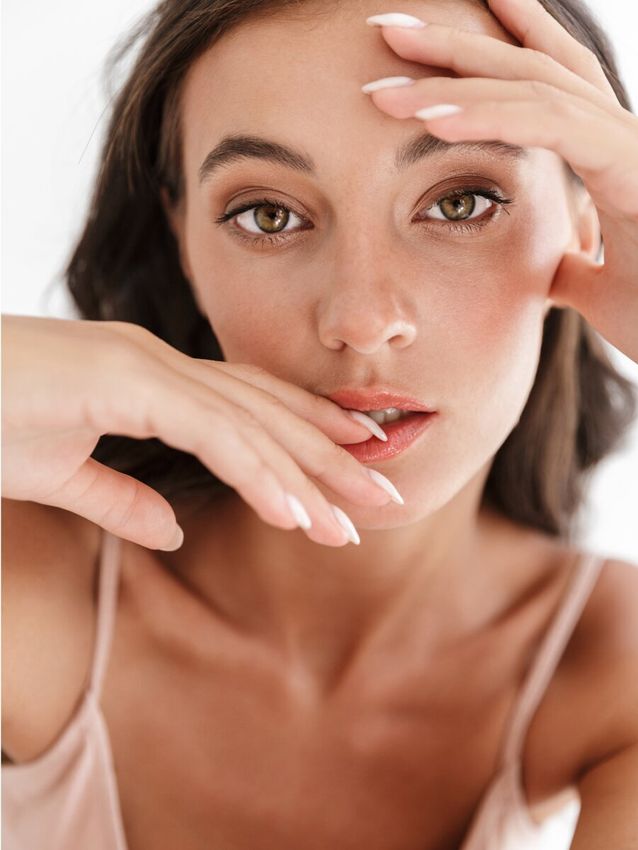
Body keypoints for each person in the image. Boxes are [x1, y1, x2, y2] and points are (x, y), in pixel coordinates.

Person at [2, 0, 638, 847]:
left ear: (589, 223)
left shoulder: (608, 674)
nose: (362, 318)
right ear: (183, 239)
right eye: (268, 214)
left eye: (461, 202)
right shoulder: (34, 582)